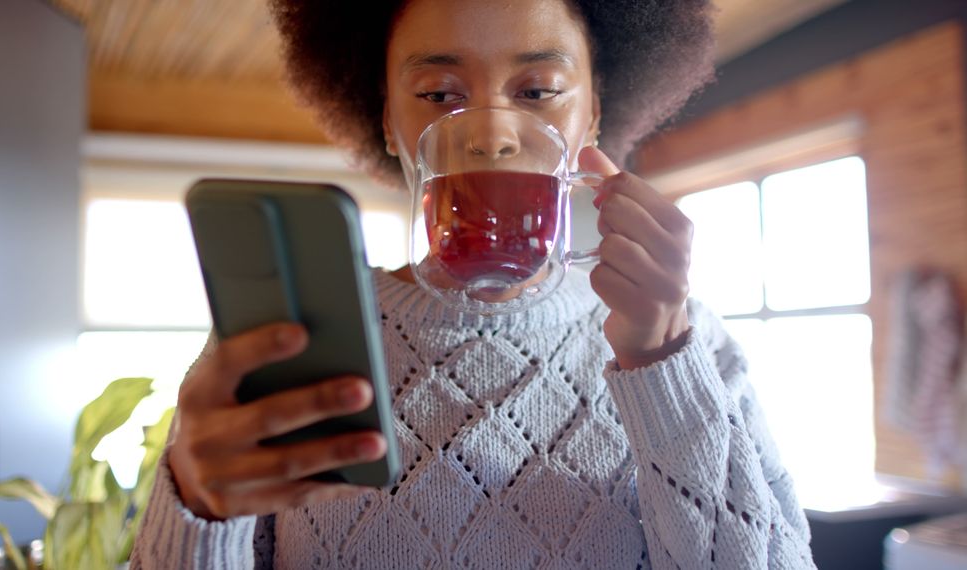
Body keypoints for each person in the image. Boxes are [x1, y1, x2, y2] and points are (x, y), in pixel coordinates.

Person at [133, 0, 817, 567]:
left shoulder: (688, 339)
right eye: (438, 95)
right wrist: (195, 503)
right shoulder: (289, 338)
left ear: (594, 114)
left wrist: (660, 357)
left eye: (538, 91)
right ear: (389, 123)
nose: (490, 133)